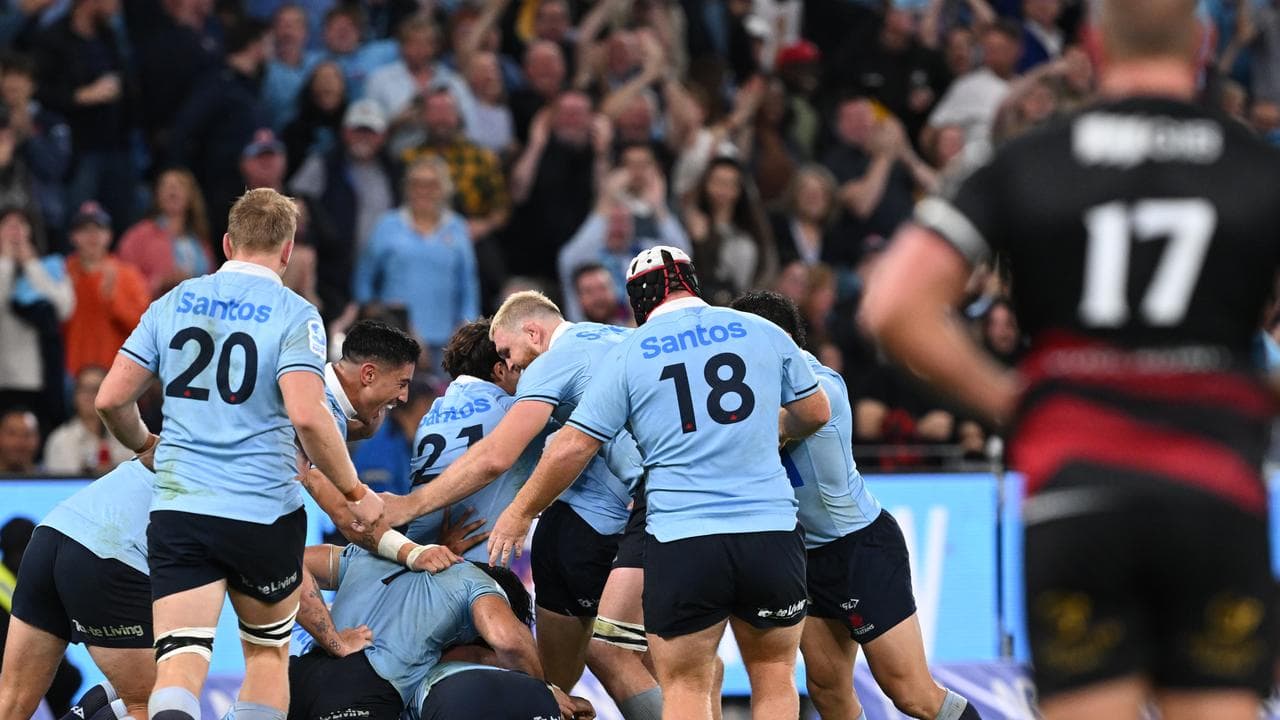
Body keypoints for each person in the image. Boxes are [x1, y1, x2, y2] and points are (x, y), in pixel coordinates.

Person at [859, 2, 1278, 718]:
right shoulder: (1254, 164)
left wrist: (1013, 400)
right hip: (1213, 490)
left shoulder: (1032, 159)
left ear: (1090, 46)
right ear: (1205, 45)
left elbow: (893, 304)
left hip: (1076, 490)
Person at [487, 247, 831, 720]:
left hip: (684, 537)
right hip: (769, 530)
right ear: (693, 281)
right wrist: (765, 432)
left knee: (686, 687)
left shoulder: (630, 351)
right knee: (773, 678)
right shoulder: (763, 330)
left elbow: (571, 446)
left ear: (637, 300)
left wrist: (520, 511)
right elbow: (816, 412)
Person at [94, 188, 386, 720]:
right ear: (288, 250)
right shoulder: (296, 314)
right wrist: (354, 491)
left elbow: (111, 398)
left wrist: (144, 444)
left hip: (181, 510)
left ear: (227, 243)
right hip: (262, 513)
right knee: (267, 658)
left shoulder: (173, 302)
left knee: (180, 662)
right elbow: (307, 414)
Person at [380, 292, 662, 719]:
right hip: (473, 579)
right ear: (497, 368)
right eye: (507, 360)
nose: (517, 368)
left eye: (514, 355)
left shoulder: (436, 410)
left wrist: (419, 524)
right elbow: (504, 454)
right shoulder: (598, 350)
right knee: (628, 655)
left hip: (417, 574)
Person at [731, 290, 983, 720]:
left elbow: (763, 429)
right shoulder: (750, 391)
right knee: (828, 692)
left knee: (912, 695)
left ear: (778, 341)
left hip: (858, 550)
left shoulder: (820, 386)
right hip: (803, 558)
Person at [289, 545, 586, 720]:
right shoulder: (475, 582)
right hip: (361, 689)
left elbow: (287, 561)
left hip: (294, 676)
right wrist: (543, 690)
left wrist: (331, 638)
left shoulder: (373, 556)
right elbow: (508, 642)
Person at [405, 319, 539, 562]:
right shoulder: (512, 410)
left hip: (416, 552)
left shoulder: (433, 411)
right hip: (468, 562)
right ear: (501, 370)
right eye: (520, 365)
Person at [354, 156, 479, 356]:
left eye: (431, 185)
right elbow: (364, 276)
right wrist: (370, 310)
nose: (423, 191)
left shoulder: (457, 227)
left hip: (445, 342)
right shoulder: (387, 224)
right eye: (416, 184)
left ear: (444, 189)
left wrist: (466, 328)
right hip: (393, 340)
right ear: (406, 188)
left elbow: (468, 284)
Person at [0, 206, 73, 435]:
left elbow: (64, 308)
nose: (15, 232)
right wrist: (6, 263)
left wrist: (31, 265)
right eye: (7, 225)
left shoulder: (50, 266)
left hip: (38, 378)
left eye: (21, 225)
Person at [62, 200, 149, 378]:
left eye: (99, 229)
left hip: (115, 373)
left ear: (109, 235)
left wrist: (113, 300)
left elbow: (144, 327)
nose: (92, 236)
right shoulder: (62, 272)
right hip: (72, 372)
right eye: (84, 229)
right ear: (73, 236)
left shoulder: (128, 275)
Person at [117, 168, 214, 299]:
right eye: (165, 185)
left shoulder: (200, 240)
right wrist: (159, 282)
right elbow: (121, 281)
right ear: (157, 195)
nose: (172, 189)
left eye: (179, 185)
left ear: (191, 195)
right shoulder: (138, 236)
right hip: (155, 312)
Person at [43, 366, 132, 475]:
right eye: (84, 389)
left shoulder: (129, 438)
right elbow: (61, 486)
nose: (90, 396)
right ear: (74, 396)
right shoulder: (60, 440)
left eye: (97, 389)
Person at [0, 407, 39, 473]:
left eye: (27, 435)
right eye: (12, 433)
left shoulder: (51, 480)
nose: (20, 442)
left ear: (37, 439)